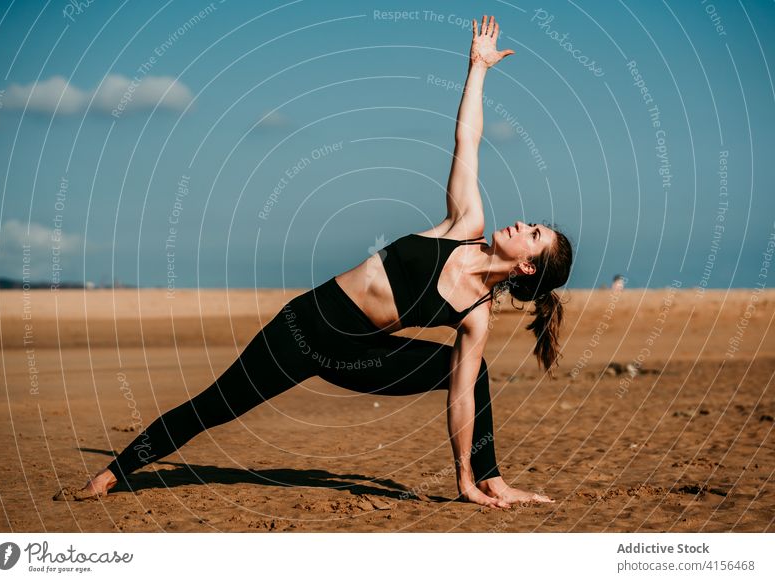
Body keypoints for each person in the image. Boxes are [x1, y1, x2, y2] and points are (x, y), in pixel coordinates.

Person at [58, 15, 573, 509]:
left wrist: (462, 477)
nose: (523, 225)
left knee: (470, 370)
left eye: (533, 235)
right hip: (303, 329)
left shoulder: (475, 315)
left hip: (360, 359)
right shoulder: (465, 225)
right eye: (532, 223)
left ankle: (488, 480)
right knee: (213, 406)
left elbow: (461, 400)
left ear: (528, 267)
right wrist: (477, 68)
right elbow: (468, 141)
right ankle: (111, 475)